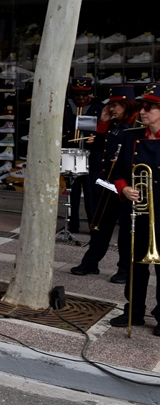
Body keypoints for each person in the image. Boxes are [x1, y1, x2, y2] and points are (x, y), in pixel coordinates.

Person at [72, 85, 139, 281]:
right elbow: (101, 146)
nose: (112, 109)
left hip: (127, 185)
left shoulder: (136, 124)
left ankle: (125, 270)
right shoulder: (115, 123)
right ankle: (90, 263)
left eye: (116, 105)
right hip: (109, 182)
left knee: (126, 231)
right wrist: (103, 121)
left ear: (127, 104)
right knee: (100, 226)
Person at [110, 83, 160, 332]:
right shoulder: (131, 136)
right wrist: (124, 189)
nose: (143, 112)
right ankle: (135, 311)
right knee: (135, 266)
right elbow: (118, 173)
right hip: (137, 213)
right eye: (142, 107)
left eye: (149, 108)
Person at [63, 76, 104, 233]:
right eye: (77, 94)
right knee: (71, 191)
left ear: (89, 93)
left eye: (84, 94)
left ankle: (93, 225)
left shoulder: (98, 107)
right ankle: (72, 225)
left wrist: (97, 138)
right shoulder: (65, 105)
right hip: (70, 152)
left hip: (91, 155)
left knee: (91, 192)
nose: (80, 97)